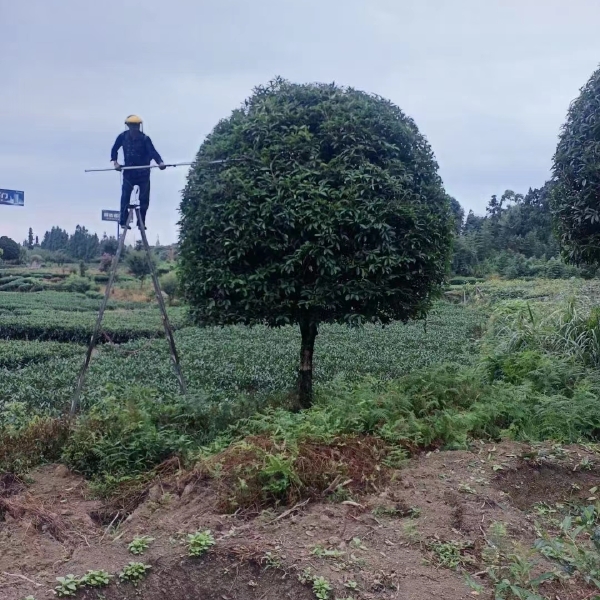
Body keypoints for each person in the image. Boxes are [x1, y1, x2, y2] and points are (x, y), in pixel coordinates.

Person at [110, 115, 166, 230]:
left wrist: (160, 162)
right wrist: (115, 163)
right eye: (132, 126)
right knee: (125, 197)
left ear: (139, 126)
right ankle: (123, 221)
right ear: (128, 126)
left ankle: (141, 222)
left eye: (137, 126)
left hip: (143, 173)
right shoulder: (122, 137)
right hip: (129, 173)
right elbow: (114, 149)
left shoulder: (145, 139)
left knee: (144, 199)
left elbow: (153, 152)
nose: (135, 129)